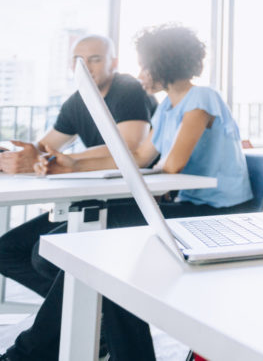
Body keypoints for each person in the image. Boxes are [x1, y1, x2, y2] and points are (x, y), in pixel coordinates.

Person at [1, 25, 252, 361]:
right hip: (187, 205)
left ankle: (28, 355)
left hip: (216, 214)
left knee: (91, 244)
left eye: (145, 65)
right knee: (96, 260)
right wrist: (70, 164)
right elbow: (140, 157)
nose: (140, 73)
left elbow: (173, 164)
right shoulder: (165, 109)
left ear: (165, 63)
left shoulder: (202, 98)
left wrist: (85, 162)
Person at [0, 34, 154, 299]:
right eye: (79, 60)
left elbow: (128, 146)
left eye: (95, 59)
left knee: (44, 254)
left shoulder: (128, 88)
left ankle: (85, 320)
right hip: (94, 199)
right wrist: (15, 156)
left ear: (113, 62)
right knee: (6, 250)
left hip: (133, 200)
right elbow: (45, 147)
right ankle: (84, 318)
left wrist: (62, 159)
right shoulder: (77, 101)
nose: (86, 67)